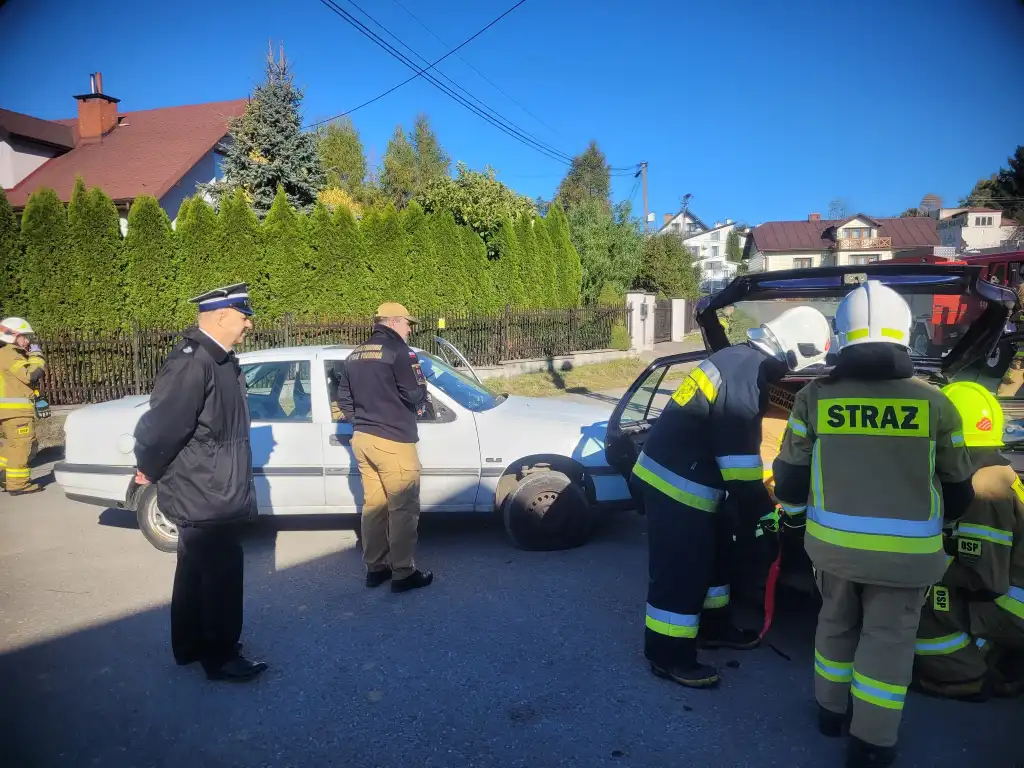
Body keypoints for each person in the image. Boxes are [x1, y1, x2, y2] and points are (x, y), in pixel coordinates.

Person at [773, 280, 975, 768]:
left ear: (840, 337)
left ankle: (829, 711)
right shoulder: (935, 403)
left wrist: (794, 523)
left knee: (834, 624)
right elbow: (959, 489)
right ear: (904, 333)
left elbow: (791, 480)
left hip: (833, 551)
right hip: (907, 558)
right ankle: (871, 742)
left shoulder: (814, 398)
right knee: (887, 641)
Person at [634, 304, 832, 689]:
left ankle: (714, 628)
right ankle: (667, 654)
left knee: (716, 559)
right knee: (681, 573)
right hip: (675, 487)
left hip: (693, 481)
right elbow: (739, 466)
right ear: (796, 350)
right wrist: (766, 516)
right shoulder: (746, 374)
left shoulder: (738, 359)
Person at [133, 283, 268, 683]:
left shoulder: (218, 359)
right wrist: (147, 469)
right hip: (206, 489)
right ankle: (220, 656)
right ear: (222, 316)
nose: (249, 324)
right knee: (220, 574)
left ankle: (190, 645)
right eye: (244, 316)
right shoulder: (194, 362)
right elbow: (161, 426)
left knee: (194, 570)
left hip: (211, 485)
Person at [912, 381, 1024, 701]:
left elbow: (985, 579)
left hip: (1011, 604)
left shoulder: (982, 491)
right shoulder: (997, 471)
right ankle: (1002, 657)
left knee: (921, 601)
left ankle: (964, 675)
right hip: (1013, 595)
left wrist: (923, 563)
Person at [335, 302, 433, 593]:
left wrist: (363, 421)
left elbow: (344, 400)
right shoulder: (400, 352)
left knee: (374, 507)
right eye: (407, 323)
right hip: (394, 441)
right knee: (403, 509)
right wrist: (420, 396)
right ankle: (403, 573)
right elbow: (415, 394)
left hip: (363, 439)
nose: (410, 329)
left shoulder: (355, 354)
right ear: (393, 322)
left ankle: (375, 569)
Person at [0, 317, 45, 495]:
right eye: (24, 336)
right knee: (22, 446)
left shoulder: (5, 354)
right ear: (12, 336)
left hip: (10, 412)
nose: (28, 341)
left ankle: (4, 475)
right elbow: (30, 375)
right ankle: (18, 484)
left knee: (12, 446)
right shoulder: (10, 355)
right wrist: (37, 356)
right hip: (16, 412)